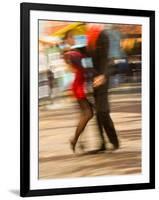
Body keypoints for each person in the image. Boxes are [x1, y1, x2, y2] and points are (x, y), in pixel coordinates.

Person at [86, 24, 119, 150]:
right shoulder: (89, 37)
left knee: (102, 111)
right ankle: (102, 143)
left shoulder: (103, 35)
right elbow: (87, 55)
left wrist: (103, 76)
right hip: (94, 79)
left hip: (103, 78)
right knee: (98, 112)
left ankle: (114, 141)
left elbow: (107, 58)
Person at [63, 49, 93, 152]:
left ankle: (80, 141)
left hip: (78, 86)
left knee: (85, 115)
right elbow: (77, 68)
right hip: (79, 88)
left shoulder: (73, 55)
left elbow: (74, 68)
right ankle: (75, 140)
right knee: (88, 114)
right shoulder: (73, 54)